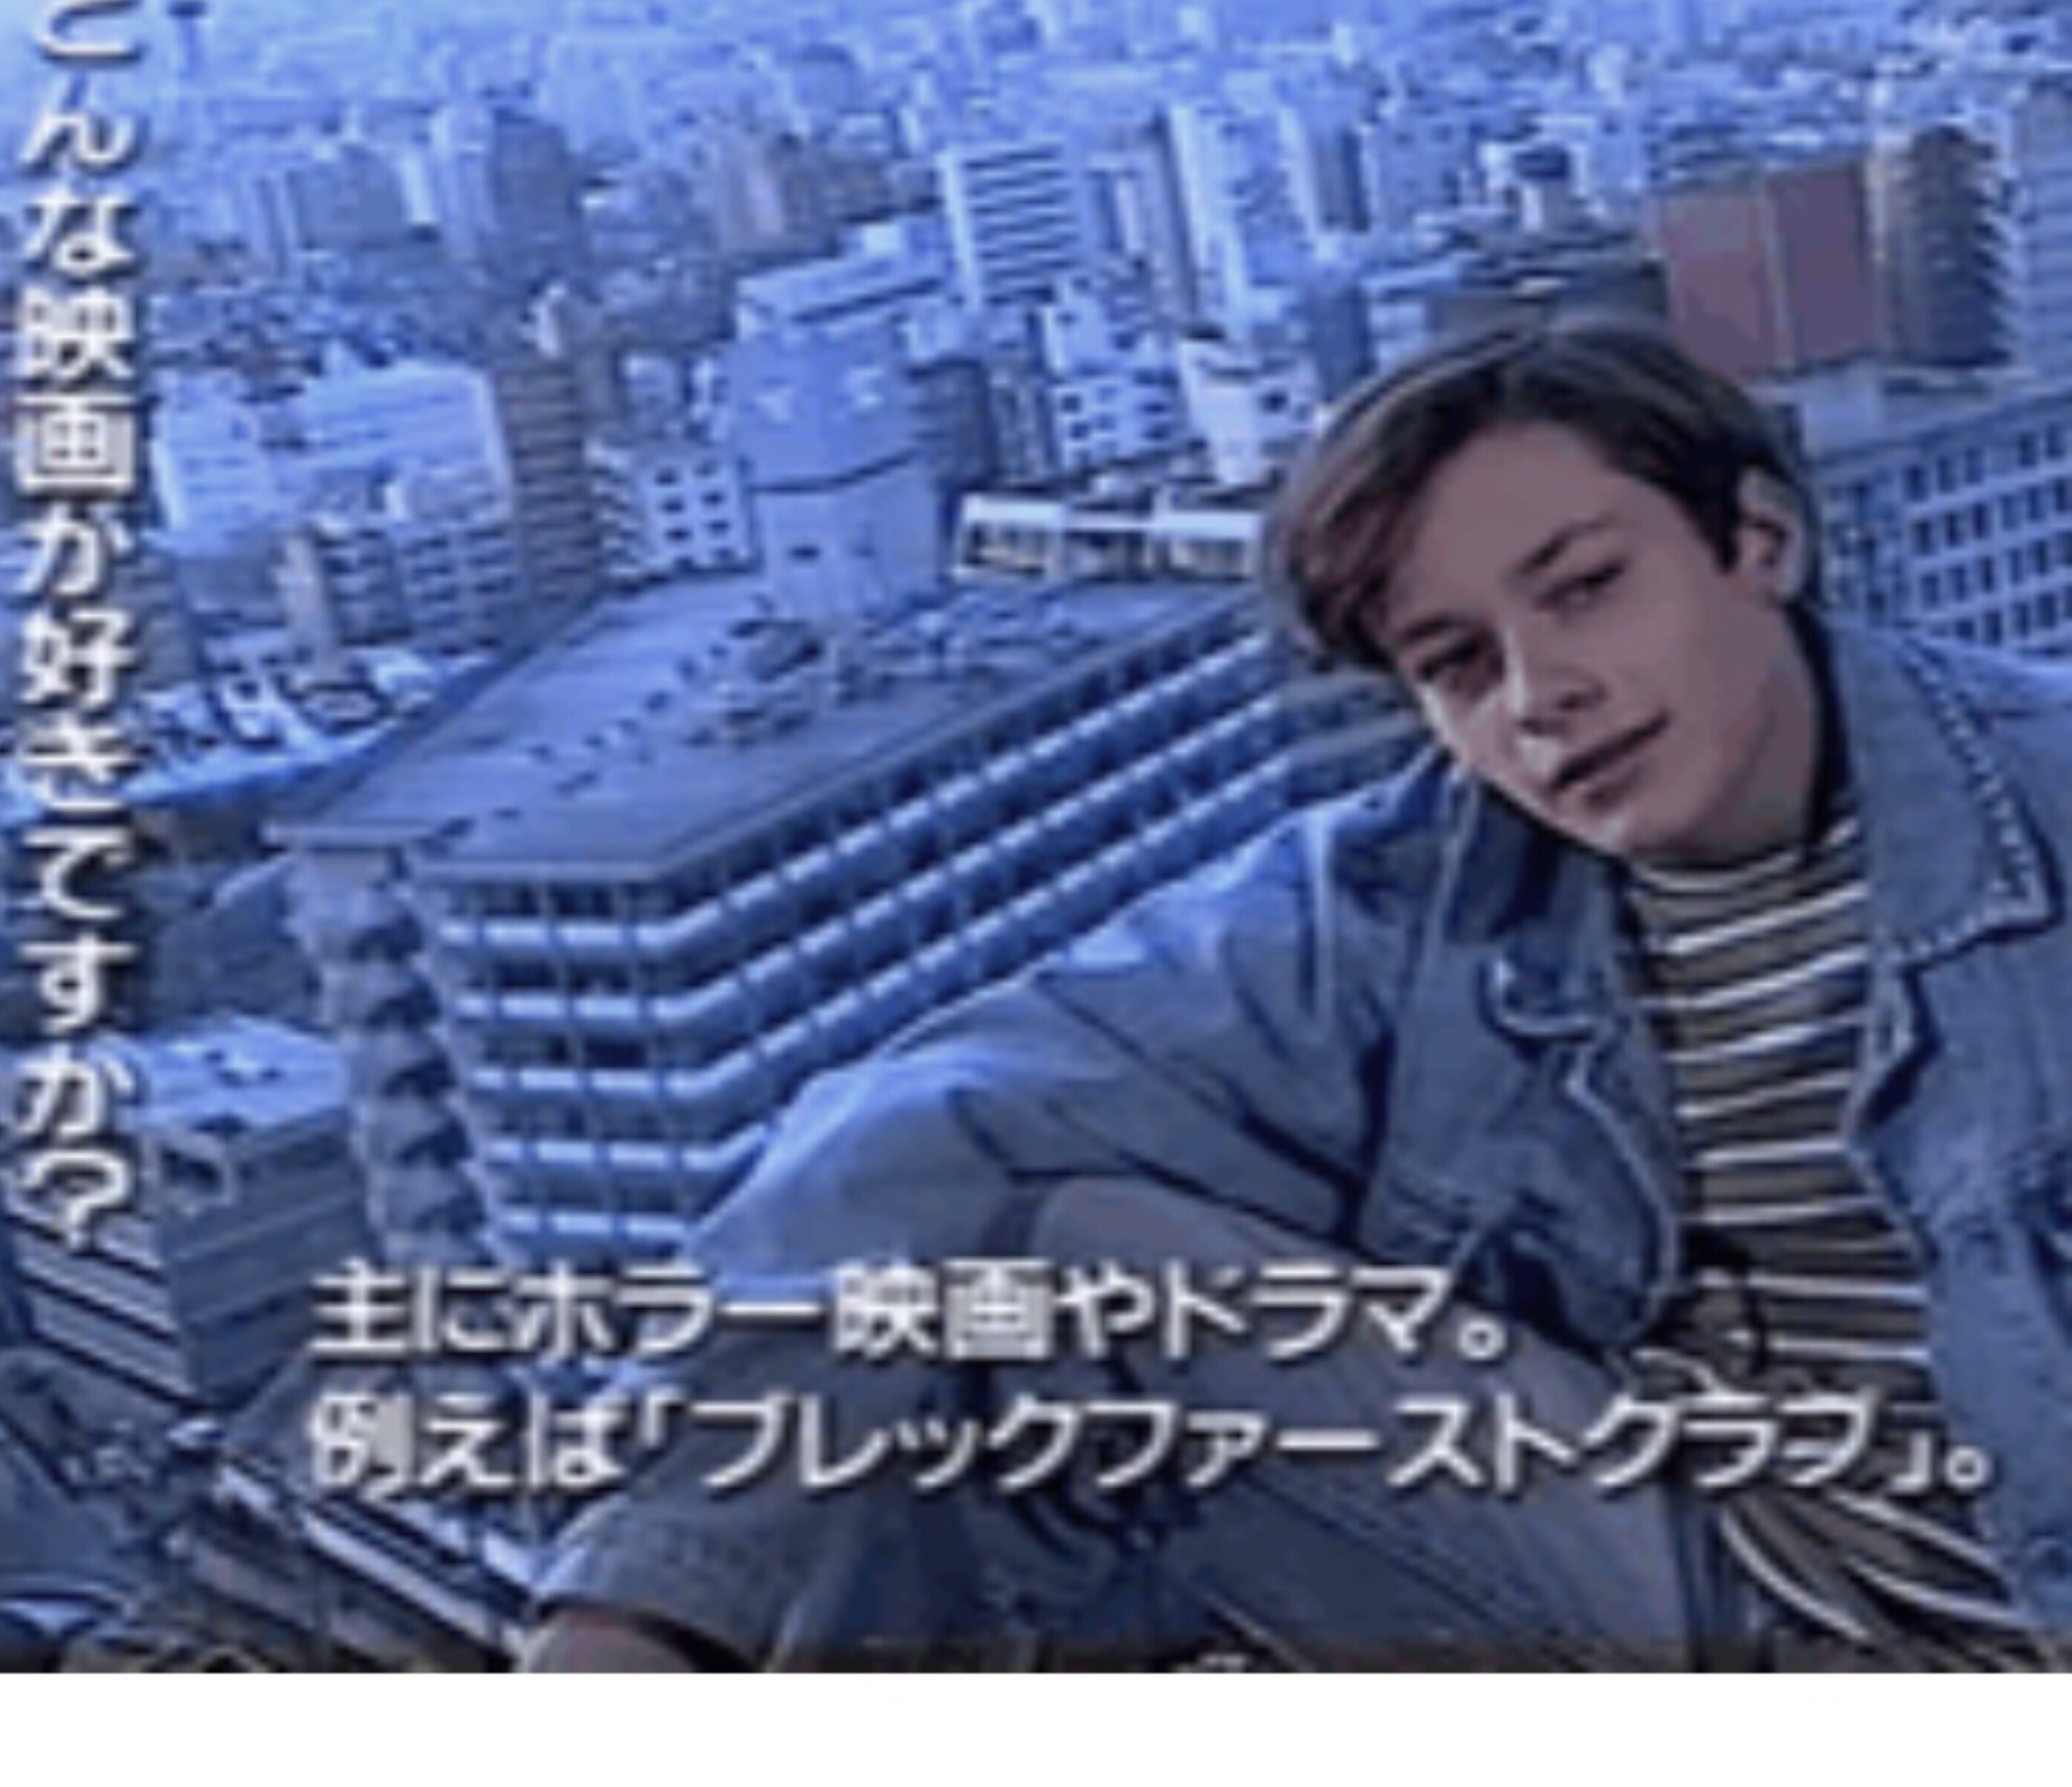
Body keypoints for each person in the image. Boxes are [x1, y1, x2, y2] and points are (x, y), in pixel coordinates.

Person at [526, 315, 2072, 1671]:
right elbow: (932, 1133)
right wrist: (626, 1620)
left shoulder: (2040, 798)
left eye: (1589, 589)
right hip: (1710, 1608)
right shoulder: (1415, 897)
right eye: (1457, 663)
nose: (1542, 696)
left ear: (1758, 542)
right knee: (1057, 1272)